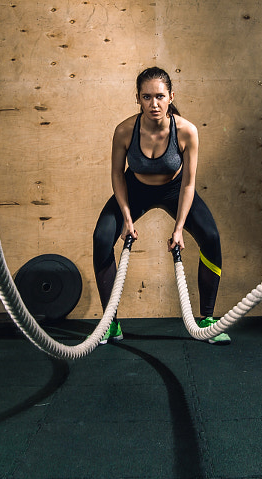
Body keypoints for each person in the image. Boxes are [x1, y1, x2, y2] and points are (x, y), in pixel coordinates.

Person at [92, 67, 230, 345]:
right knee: (101, 238)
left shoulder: (187, 131)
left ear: (170, 97)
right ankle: (111, 324)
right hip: (135, 189)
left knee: (211, 238)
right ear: (138, 98)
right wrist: (128, 219)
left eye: (159, 96)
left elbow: (189, 184)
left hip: (176, 190)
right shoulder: (124, 131)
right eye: (146, 97)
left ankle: (207, 319)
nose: (153, 104)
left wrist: (178, 229)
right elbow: (117, 174)